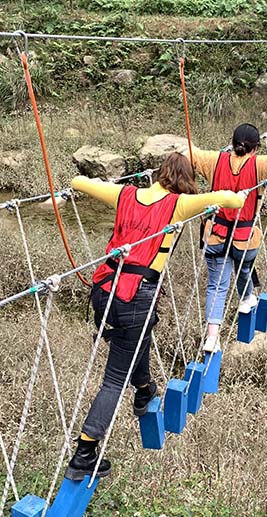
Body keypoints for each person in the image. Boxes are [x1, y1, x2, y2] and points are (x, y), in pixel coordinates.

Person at [65, 152, 246, 480]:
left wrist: (78, 183)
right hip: (137, 295)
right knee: (114, 379)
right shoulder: (179, 204)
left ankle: (145, 389)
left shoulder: (125, 194)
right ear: (183, 181)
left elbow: (80, 182)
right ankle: (84, 452)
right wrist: (242, 194)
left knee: (136, 340)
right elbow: (227, 199)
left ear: (160, 174)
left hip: (104, 289)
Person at [188, 124, 267, 352]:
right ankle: (245, 299)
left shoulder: (215, 160)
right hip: (244, 238)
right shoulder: (260, 164)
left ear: (232, 143)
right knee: (243, 269)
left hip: (215, 236)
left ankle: (212, 338)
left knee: (216, 286)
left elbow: (189, 154)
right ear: (256, 148)